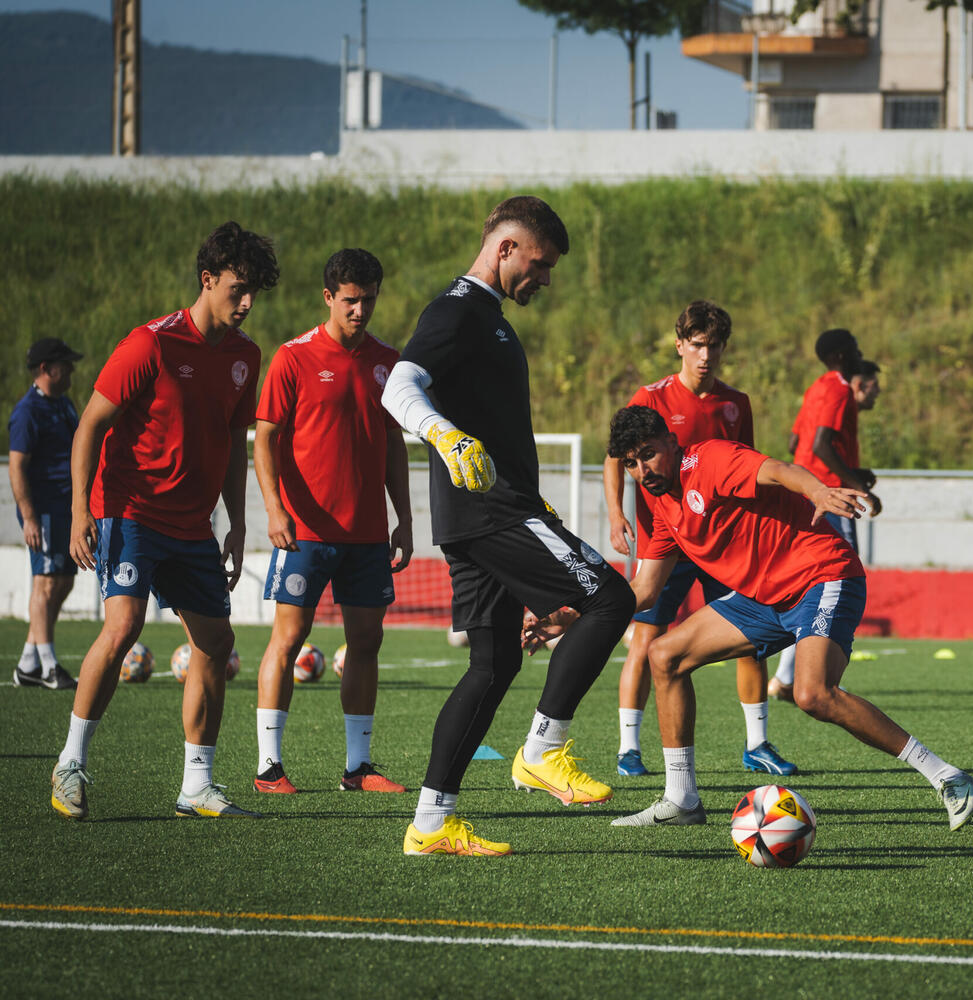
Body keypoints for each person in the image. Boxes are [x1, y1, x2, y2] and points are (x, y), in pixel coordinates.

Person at [529, 405, 973, 832]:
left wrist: (818, 491)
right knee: (664, 655)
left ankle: (947, 776)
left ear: (671, 442)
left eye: (648, 454)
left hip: (821, 575)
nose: (642, 470)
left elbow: (779, 470)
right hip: (762, 599)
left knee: (813, 694)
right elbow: (645, 590)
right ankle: (681, 799)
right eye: (631, 463)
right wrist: (573, 615)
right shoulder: (660, 504)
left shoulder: (710, 459)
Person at [382, 195, 635, 857]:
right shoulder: (457, 310)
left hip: (486, 515)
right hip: (491, 512)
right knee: (611, 599)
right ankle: (543, 751)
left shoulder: (488, 317)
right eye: (540, 264)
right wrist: (444, 436)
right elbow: (398, 386)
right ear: (505, 248)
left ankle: (431, 824)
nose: (545, 279)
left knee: (492, 667)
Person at [50, 221, 278, 822]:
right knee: (124, 625)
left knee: (216, 642)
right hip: (131, 512)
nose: (247, 303)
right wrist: (79, 510)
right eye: (238, 289)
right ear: (207, 279)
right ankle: (70, 763)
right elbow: (90, 426)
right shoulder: (150, 344)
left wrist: (236, 522)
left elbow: (232, 441)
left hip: (193, 526)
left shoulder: (245, 356)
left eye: (254, 292)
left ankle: (196, 786)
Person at [603, 300, 796, 779]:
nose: (705, 355)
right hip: (665, 539)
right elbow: (615, 456)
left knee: (749, 640)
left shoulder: (736, 403)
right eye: (696, 345)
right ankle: (629, 748)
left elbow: (749, 465)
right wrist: (616, 513)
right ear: (679, 346)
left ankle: (757, 744)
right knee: (647, 638)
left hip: (722, 545)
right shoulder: (651, 397)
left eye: (714, 345)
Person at [251, 248, 413, 795]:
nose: (360, 310)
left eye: (369, 299)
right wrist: (274, 509)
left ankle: (358, 768)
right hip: (305, 532)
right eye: (350, 300)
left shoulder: (388, 362)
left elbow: (393, 445)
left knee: (366, 641)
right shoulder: (293, 357)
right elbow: (264, 439)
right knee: (288, 638)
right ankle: (268, 768)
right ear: (328, 297)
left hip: (367, 534)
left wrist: (404, 519)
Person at [769, 333, 879, 701]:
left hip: (806, 495)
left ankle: (786, 677)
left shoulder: (816, 388)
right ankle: (813, 678)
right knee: (840, 581)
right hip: (830, 497)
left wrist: (853, 471)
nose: (860, 354)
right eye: (856, 349)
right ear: (841, 355)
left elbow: (796, 444)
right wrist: (855, 485)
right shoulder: (839, 389)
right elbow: (820, 444)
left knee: (809, 586)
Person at [9, 338, 84, 689]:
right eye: (64, 365)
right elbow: (17, 466)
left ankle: (28, 662)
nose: (71, 370)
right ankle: (50, 667)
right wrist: (29, 517)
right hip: (45, 511)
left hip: (67, 508)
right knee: (46, 583)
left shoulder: (63, 404)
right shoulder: (27, 412)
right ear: (45, 369)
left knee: (64, 581)